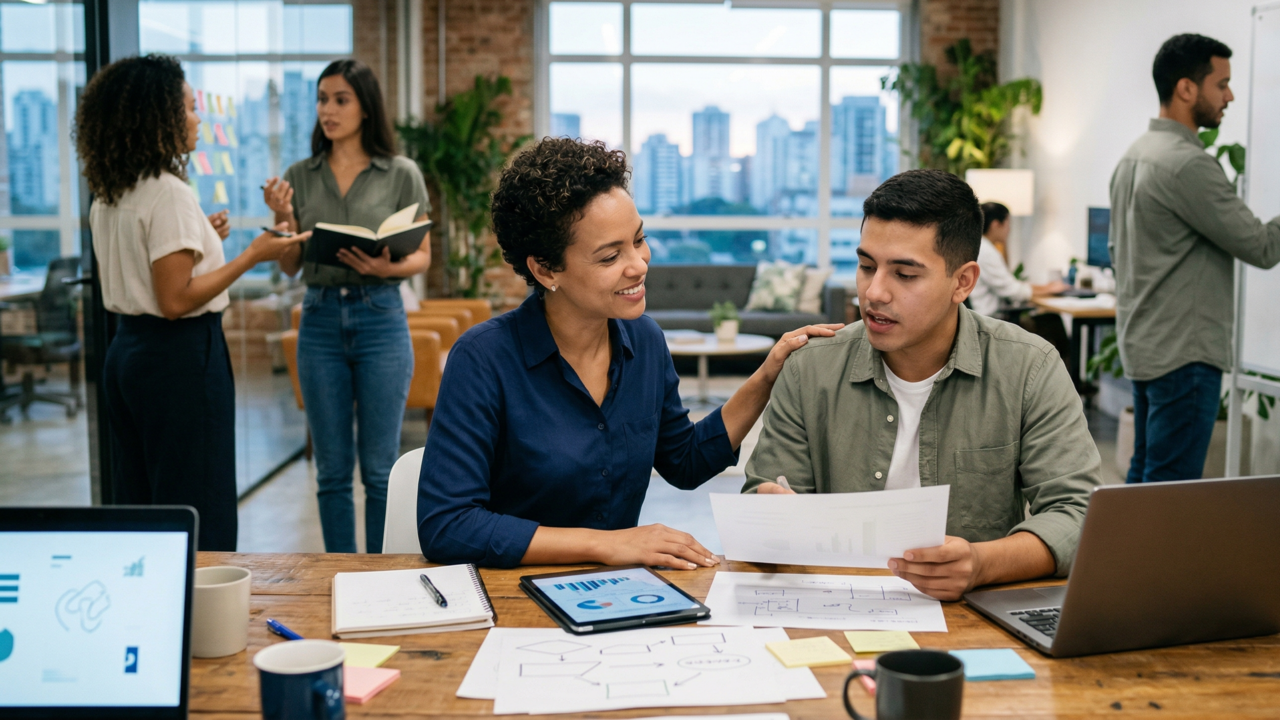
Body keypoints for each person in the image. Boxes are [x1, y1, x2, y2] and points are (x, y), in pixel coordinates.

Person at [416, 138, 841, 569]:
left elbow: (685, 461)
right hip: (506, 592)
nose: (639, 264)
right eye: (610, 256)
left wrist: (767, 374)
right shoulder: (483, 358)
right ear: (545, 269)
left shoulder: (645, 340)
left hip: (612, 594)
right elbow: (448, 526)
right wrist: (606, 545)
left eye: (639, 240)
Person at [744, 169, 1102, 601]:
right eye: (866, 266)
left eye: (905, 274)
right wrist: (768, 517)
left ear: (963, 282)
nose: (874, 292)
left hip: (972, 614)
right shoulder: (809, 368)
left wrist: (982, 562)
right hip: (834, 606)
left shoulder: (1028, 367)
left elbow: (1078, 514)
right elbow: (764, 506)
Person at [77, 55, 307, 550]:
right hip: (179, 357)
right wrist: (253, 254)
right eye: (187, 107)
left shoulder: (111, 192)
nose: (197, 118)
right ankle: (200, 599)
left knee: (144, 499)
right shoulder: (168, 193)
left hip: (127, 354)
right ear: (157, 116)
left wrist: (205, 236)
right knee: (199, 504)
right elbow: (175, 300)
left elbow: (149, 273)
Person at [262, 59, 431, 553]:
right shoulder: (300, 175)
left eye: (341, 100)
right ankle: (336, 572)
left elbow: (422, 254)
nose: (328, 110)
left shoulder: (401, 173)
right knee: (332, 471)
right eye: (322, 100)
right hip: (319, 319)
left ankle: (378, 576)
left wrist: (384, 268)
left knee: (380, 470)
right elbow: (290, 265)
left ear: (365, 107)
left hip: (381, 315)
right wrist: (284, 217)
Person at [1111, 34, 1280, 484]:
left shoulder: (1134, 157)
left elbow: (1115, 253)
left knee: (1146, 480)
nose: (1230, 95)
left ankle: (1130, 538)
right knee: (1170, 490)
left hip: (1146, 347)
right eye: (1221, 84)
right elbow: (1262, 246)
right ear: (1186, 88)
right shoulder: (1188, 165)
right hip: (1184, 356)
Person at [968, 202, 1067, 317]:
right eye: (1008, 224)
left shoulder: (978, 246)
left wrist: (1046, 287)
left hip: (985, 315)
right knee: (1050, 318)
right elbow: (1012, 291)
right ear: (996, 225)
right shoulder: (986, 252)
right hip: (992, 318)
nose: (1009, 230)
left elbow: (1009, 285)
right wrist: (1048, 289)